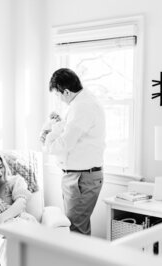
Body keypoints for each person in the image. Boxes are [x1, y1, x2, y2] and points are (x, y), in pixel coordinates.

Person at [42, 68, 106, 235]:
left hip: (81, 178)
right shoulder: (82, 103)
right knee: (77, 227)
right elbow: (75, 135)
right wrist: (60, 124)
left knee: (76, 229)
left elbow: (63, 144)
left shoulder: (82, 107)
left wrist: (47, 139)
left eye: (58, 95)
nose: (59, 99)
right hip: (78, 177)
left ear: (67, 92)